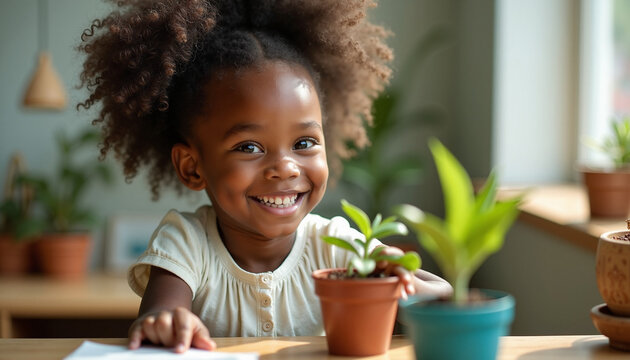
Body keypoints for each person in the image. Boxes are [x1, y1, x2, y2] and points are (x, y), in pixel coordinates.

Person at [78, 0, 452, 353]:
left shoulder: (336, 245)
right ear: (193, 167)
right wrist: (167, 322)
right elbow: (157, 314)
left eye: (304, 142)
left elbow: (447, 300)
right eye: (249, 147)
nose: (286, 167)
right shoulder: (187, 242)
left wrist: (401, 281)